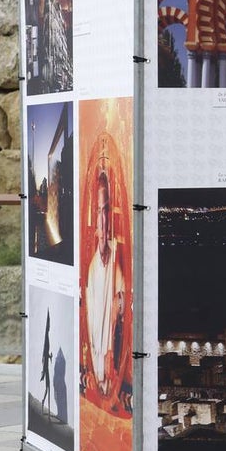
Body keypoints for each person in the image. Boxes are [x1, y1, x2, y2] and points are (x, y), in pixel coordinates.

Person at [85, 169, 128, 400]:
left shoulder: (114, 257)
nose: (103, 218)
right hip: (99, 351)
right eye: (99, 211)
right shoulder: (94, 267)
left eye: (106, 211)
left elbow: (121, 297)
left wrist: (118, 302)